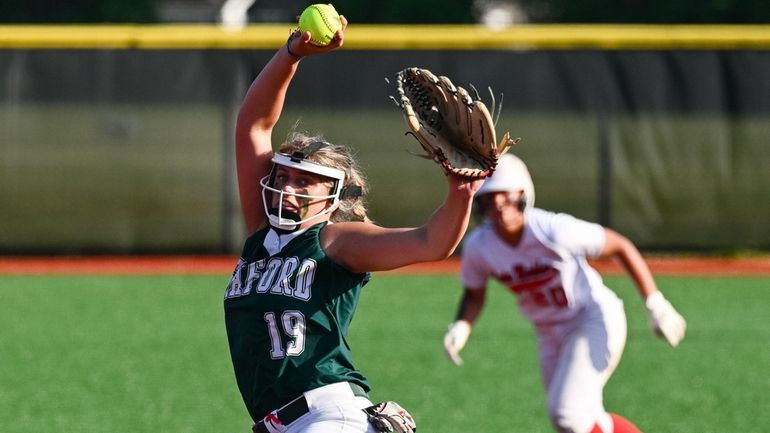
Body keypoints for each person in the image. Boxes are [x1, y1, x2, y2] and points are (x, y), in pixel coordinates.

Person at [223, 16, 483, 433]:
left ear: (332, 196)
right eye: (284, 175)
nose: (288, 186)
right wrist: (291, 55)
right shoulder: (261, 235)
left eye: (304, 181)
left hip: (327, 416)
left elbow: (432, 242)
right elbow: (253, 125)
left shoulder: (335, 240)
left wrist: (461, 193)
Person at [442, 153, 687, 433]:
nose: (498, 204)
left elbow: (619, 246)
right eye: (489, 197)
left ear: (523, 192)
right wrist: (462, 326)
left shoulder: (551, 229)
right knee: (579, 420)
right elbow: (474, 294)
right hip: (548, 331)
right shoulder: (480, 246)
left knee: (567, 414)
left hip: (590, 317)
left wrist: (655, 302)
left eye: (504, 194)